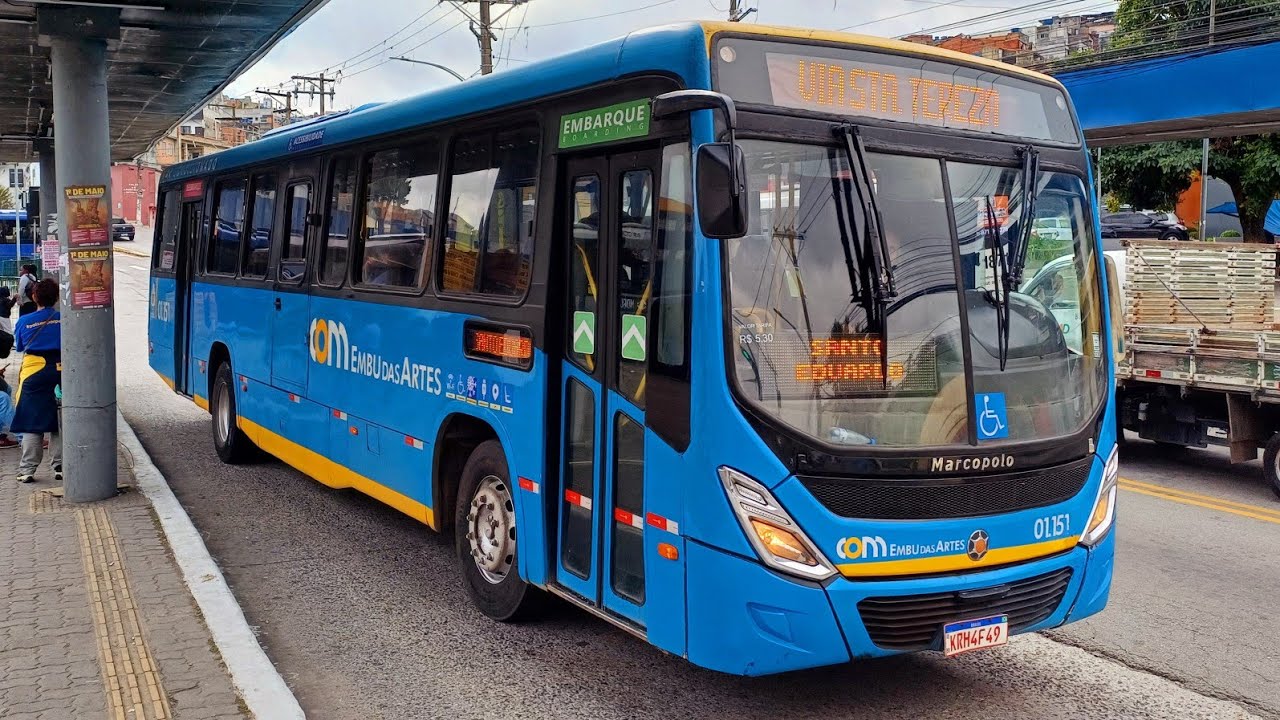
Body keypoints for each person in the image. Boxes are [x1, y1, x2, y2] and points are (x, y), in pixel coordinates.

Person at [11, 279, 61, 483]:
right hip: (62, 369)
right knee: (60, 419)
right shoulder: (65, 319)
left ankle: (27, 470)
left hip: (34, 371)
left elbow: (20, 346)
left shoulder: (25, 321)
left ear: (34, 297)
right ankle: (61, 466)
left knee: (32, 421)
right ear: (57, 297)